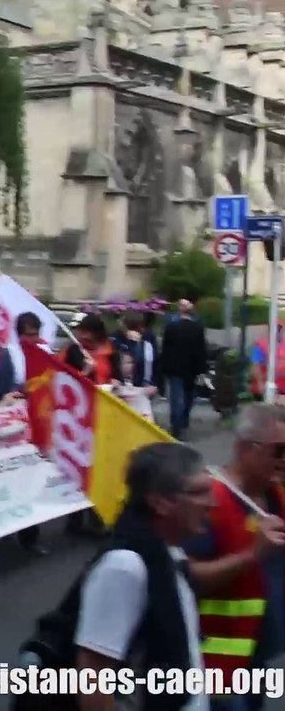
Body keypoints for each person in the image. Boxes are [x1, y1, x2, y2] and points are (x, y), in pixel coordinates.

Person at [75, 443, 214, 711]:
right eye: (199, 492)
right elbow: (93, 678)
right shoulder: (125, 566)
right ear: (160, 502)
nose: (212, 503)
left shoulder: (165, 549)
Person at [186, 404, 285, 711]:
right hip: (217, 664)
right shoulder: (210, 501)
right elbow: (187, 578)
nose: (284, 461)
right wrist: (251, 555)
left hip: (259, 654)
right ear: (245, 449)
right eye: (278, 451)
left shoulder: (275, 494)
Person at [160, 299, 208, 440]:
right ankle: (184, 419)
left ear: (180, 311)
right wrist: (201, 369)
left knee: (176, 397)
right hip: (191, 368)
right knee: (188, 395)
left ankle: (176, 425)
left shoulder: (171, 328)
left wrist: (164, 367)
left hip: (174, 367)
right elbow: (201, 350)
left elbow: (165, 348)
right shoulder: (197, 329)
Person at [61, 313, 122, 386]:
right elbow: (62, 381)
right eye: (82, 331)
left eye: (88, 338)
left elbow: (118, 377)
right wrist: (85, 372)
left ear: (98, 335)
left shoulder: (111, 352)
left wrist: (115, 383)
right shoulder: (73, 351)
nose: (83, 336)